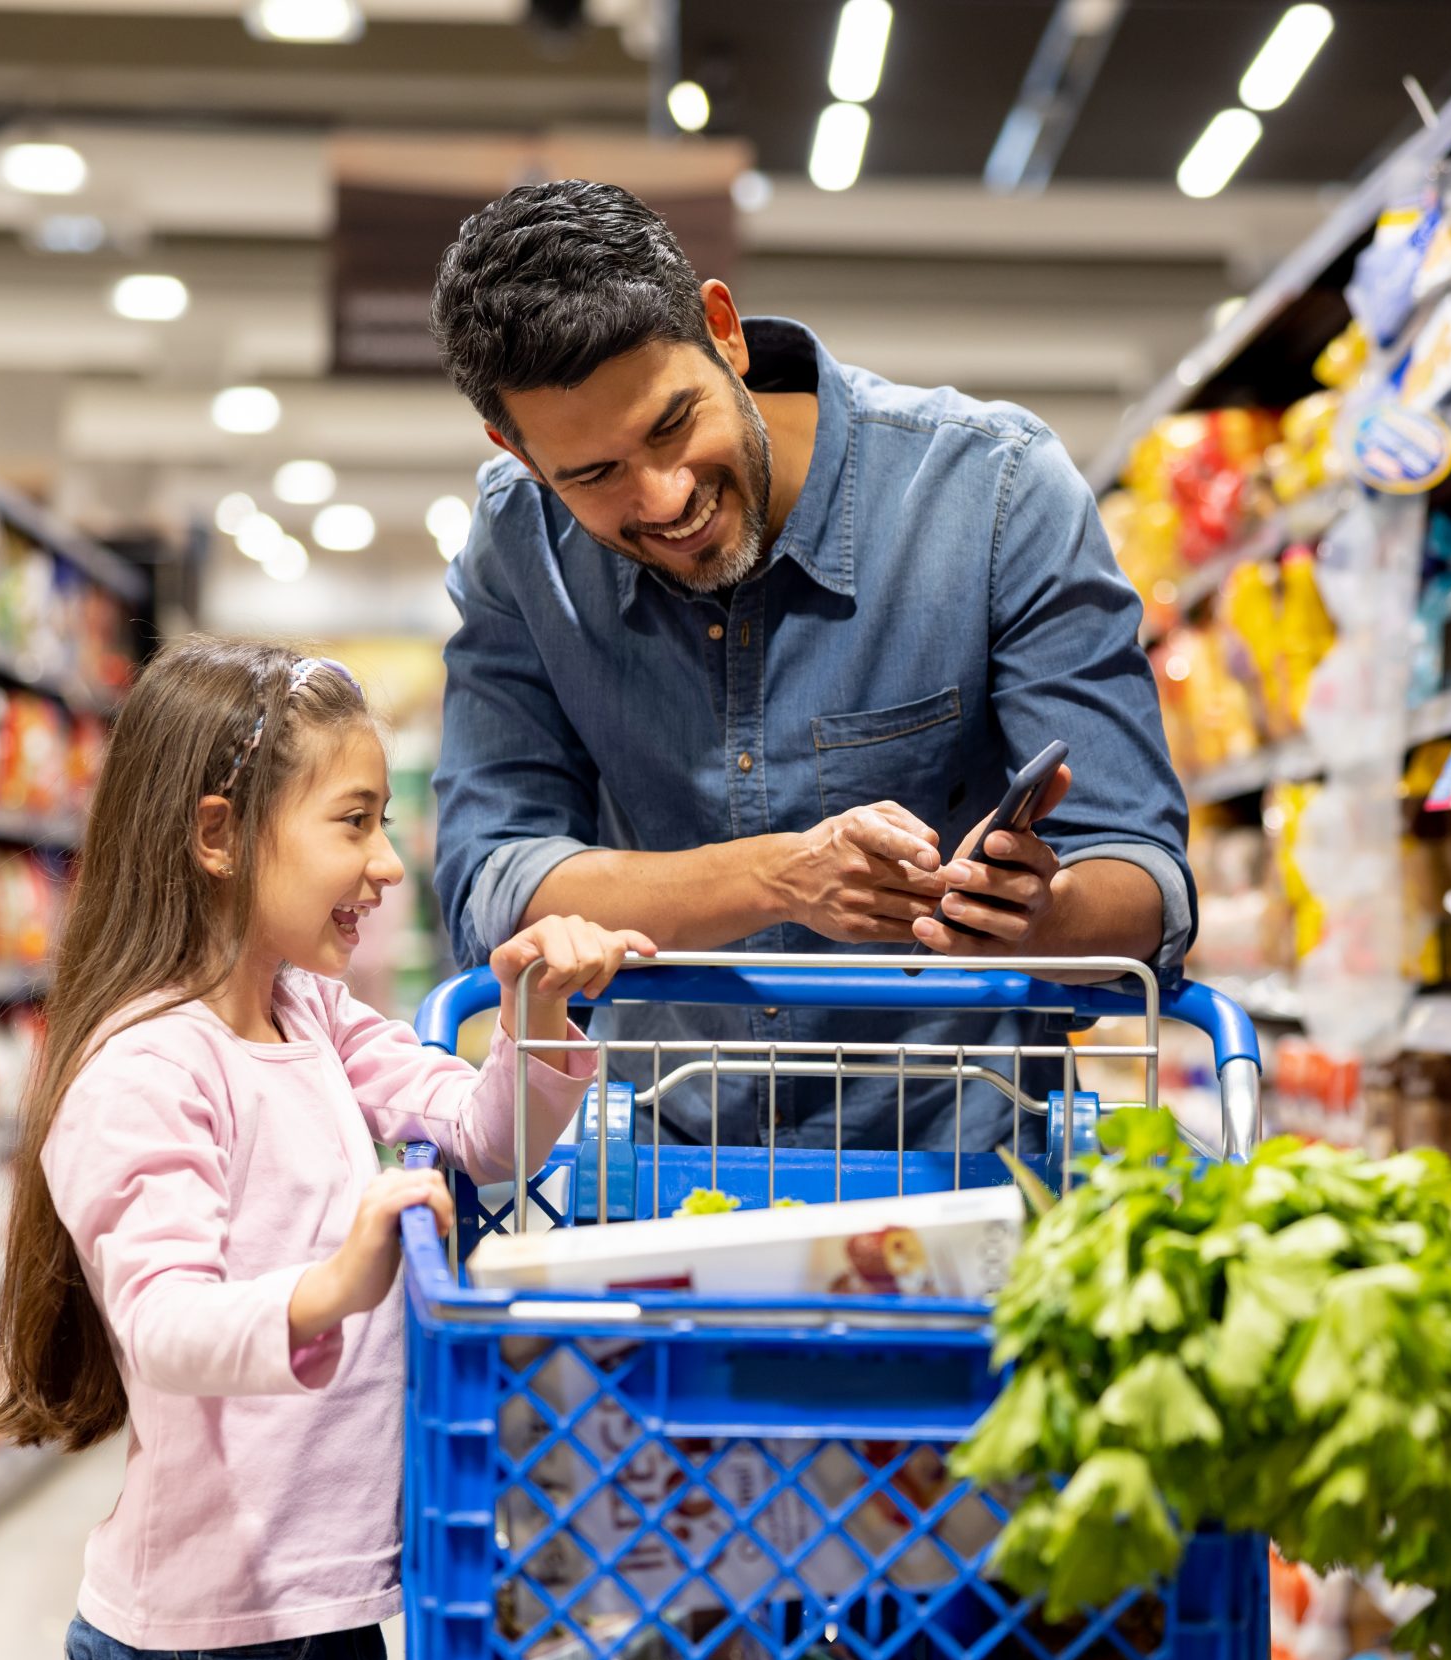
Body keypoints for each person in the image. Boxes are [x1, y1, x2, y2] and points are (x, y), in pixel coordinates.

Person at [427, 178, 1192, 1155]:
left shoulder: (993, 493)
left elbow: (1145, 878)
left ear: (723, 331)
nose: (663, 498)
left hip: (970, 1165)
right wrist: (779, 877)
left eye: (671, 426)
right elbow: (493, 879)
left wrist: (1041, 912)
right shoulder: (517, 547)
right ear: (518, 452)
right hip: (658, 1170)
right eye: (593, 474)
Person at [0, 636, 653, 1660]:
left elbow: (488, 1138)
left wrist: (536, 1014)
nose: (390, 862)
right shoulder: (147, 1065)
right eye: (354, 821)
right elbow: (161, 1319)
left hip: (332, 1619)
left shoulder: (312, 1013)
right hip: (200, 1658)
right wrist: (333, 1281)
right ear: (216, 834)